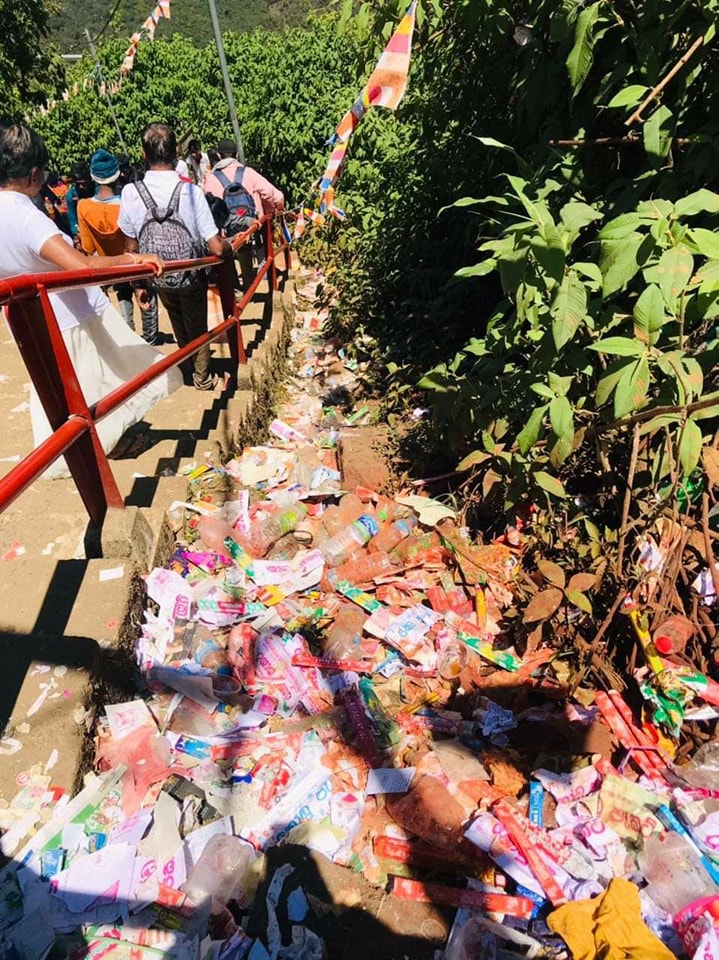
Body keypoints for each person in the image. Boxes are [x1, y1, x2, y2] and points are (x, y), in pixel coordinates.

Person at [0, 123, 182, 479]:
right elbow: (81, 266)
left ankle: (77, 447)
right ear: (33, 174)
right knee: (102, 381)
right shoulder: (26, 217)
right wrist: (131, 260)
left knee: (62, 393)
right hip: (70, 316)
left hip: (26, 321)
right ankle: (98, 450)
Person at [119, 123, 231, 390]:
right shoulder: (191, 192)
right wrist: (230, 247)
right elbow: (216, 247)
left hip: (158, 276)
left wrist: (138, 285)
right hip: (191, 274)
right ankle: (202, 378)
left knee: (178, 322)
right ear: (176, 153)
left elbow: (130, 248)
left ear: (144, 154)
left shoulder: (131, 193)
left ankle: (188, 369)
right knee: (197, 326)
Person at [202, 139, 284, 291]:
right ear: (237, 155)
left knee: (227, 259)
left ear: (219, 155)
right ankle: (250, 287)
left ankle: (234, 290)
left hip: (226, 232)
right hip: (251, 226)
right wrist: (276, 209)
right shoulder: (248, 173)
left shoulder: (211, 179)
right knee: (248, 256)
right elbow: (272, 193)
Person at [77, 149, 137, 334]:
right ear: (118, 175)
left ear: (93, 177)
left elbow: (87, 247)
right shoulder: (126, 203)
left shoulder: (84, 206)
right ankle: (141, 335)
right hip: (130, 262)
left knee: (113, 298)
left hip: (104, 265)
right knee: (135, 295)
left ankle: (121, 332)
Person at [65, 160, 93, 248]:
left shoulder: (97, 191)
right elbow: (72, 217)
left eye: (84, 184)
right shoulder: (72, 195)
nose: (81, 187)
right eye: (78, 184)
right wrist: (76, 237)